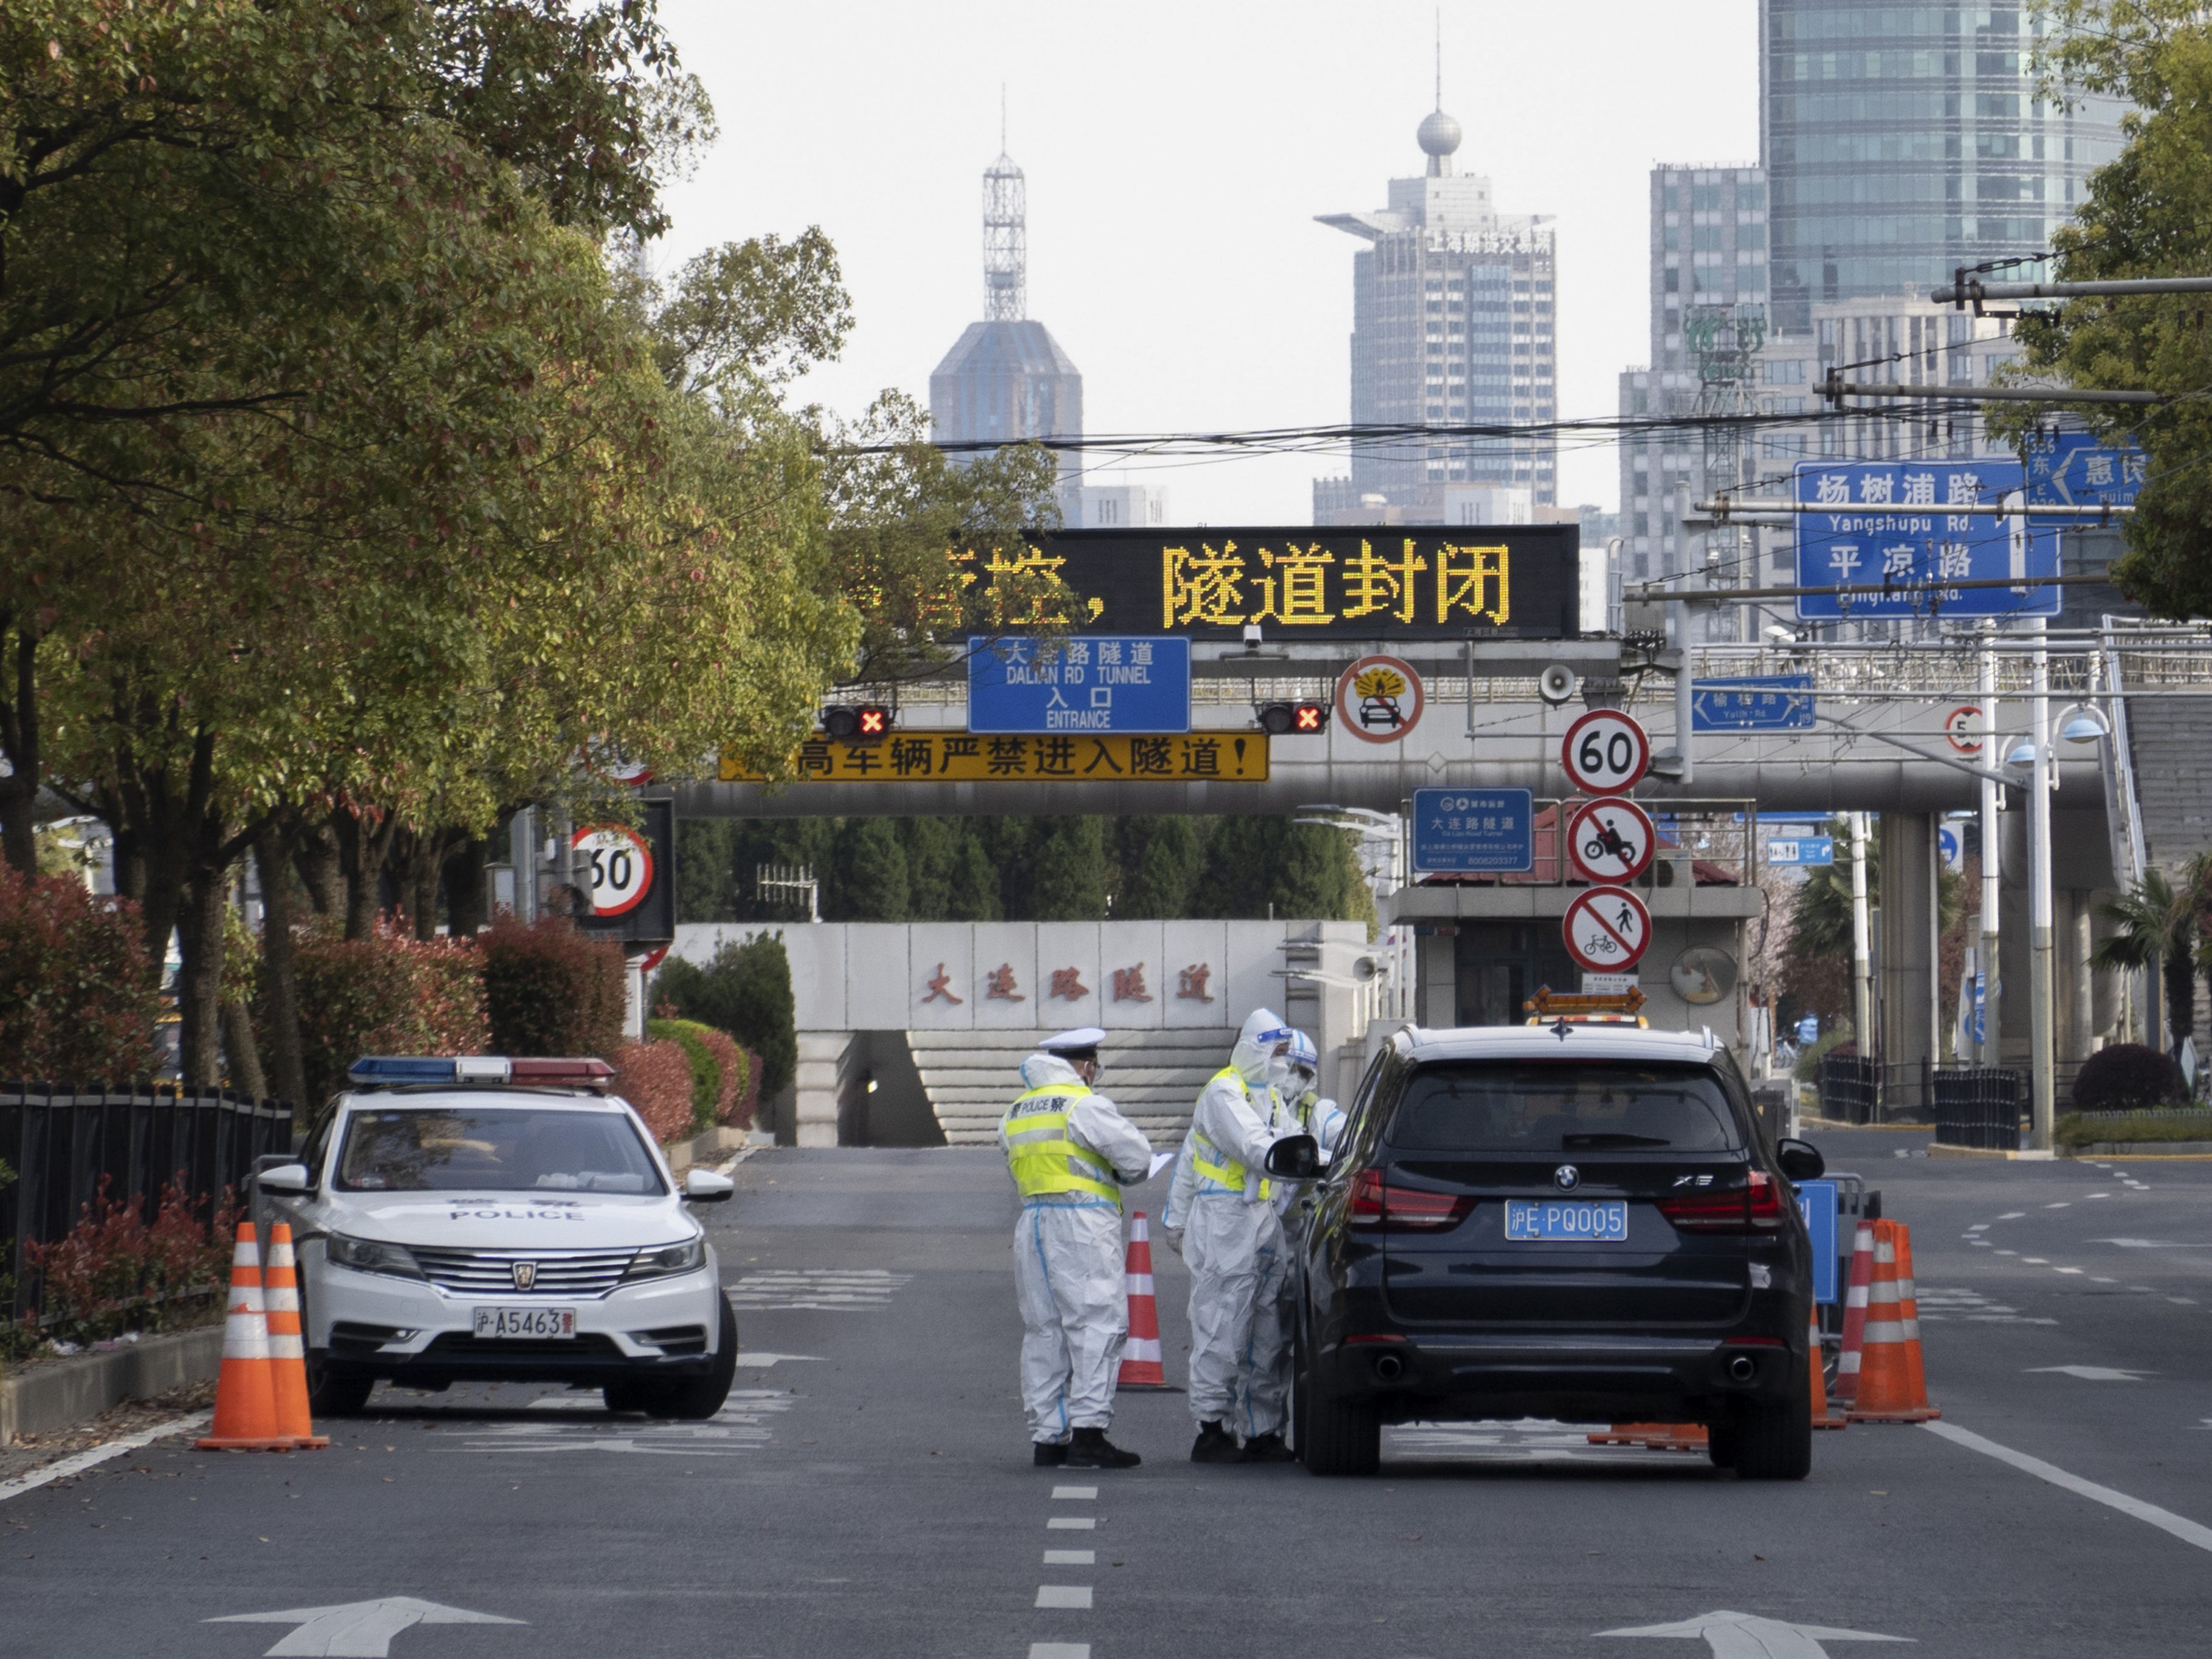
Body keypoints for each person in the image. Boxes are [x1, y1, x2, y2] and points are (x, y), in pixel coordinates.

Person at [998, 1026, 1153, 1471]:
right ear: (1084, 1066)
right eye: (1094, 1066)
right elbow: (1138, 1159)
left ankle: (1048, 1439)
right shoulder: (1085, 1105)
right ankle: (1089, 1432)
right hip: (1083, 1224)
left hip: (1033, 1224)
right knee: (1097, 1325)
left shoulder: (1015, 1111)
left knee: (1044, 1331)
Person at [1164, 1008, 1304, 1463]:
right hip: (1224, 1221)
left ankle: (1263, 1431)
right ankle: (1212, 1428)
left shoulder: (1272, 1097)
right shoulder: (1224, 1093)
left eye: (1286, 1052)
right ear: (1253, 1048)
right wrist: (1178, 1218)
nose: (1281, 1061)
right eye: (1275, 1051)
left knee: (1268, 1332)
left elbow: (1292, 1141)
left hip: (1260, 1221)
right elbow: (1255, 1148)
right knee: (1222, 1326)